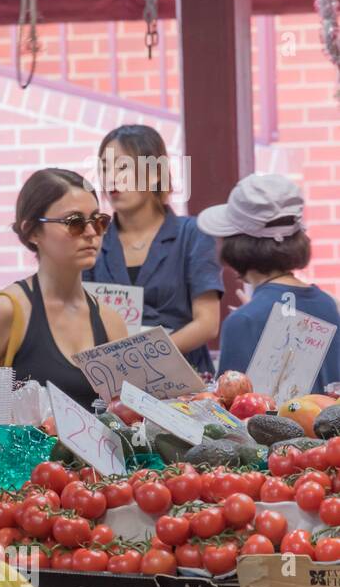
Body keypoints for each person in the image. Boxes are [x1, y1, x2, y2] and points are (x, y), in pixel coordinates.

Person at [0, 168, 128, 409]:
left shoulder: (111, 321)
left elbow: (128, 416)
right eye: (74, 222)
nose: (91, 233)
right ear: (33, 231)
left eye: (99, 221)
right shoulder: (5, 309)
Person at [86, 124, 222, 374]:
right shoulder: (93, 239)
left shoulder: (192, 234)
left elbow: (208, 323)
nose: (111, 177)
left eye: (122, 167)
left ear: (155, 173)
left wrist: (143, 357)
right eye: (104, 168)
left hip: (184, 380)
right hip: (115, 382)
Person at [197, 173, 340, 391]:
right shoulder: (327, 304)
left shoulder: (243, 321)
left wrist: (253, 317)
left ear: (235, 245)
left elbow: (230, 414)